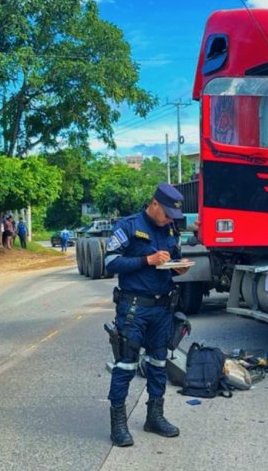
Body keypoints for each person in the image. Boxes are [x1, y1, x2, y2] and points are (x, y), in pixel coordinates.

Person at [104, 182, 190, 447]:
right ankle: (118, 423)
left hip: (162, 308)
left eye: (172, 217)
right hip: (134, 308)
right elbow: (109, 262)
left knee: (158, 364)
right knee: (126, 364)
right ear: (154, 204)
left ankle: (155, 416)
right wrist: (146, 260)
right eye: (166, 214)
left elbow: (174, 258)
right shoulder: (128, 226)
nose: (168, 220)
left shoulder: (170, 229)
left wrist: (179, 268)